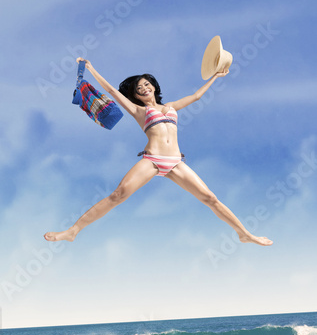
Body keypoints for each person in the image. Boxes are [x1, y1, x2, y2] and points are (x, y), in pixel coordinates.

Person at [44, 58, 273, 246]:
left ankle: (244, 234)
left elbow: (196, 96)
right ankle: (73, 230)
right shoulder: (138, 110)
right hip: (152, 160)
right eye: (139, 88)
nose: (143, 88)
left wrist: (215, 76)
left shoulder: (170, 107)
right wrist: (91, 68)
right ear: (135, 94)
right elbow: (112, 90)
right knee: (118, 195)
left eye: (146, 84)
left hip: (176, 162)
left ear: (153, 85)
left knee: (210, 198)